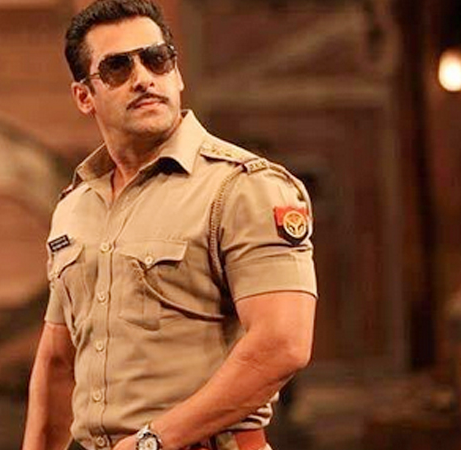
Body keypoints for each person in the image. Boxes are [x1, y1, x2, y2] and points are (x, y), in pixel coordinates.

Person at [21, 1, 317, 450]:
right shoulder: (76, 206)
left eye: (156, 59)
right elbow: (59, 362)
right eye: (117, 68)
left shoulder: (243, 188)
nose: (143, 78)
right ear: (84, 97)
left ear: (176, 74)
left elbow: (283, 344)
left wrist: (153, 441)